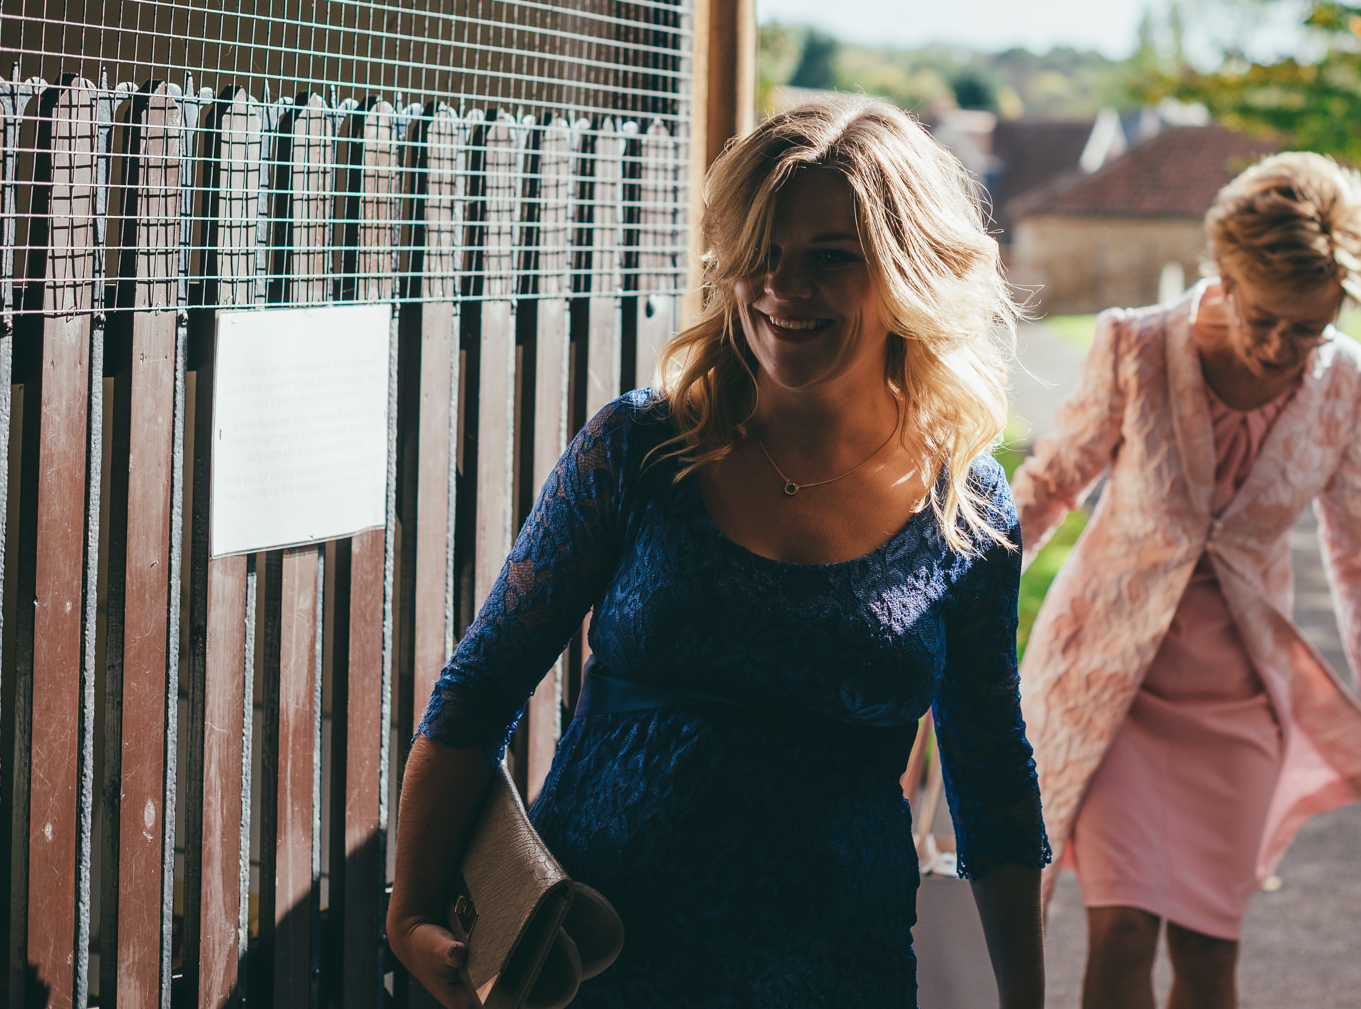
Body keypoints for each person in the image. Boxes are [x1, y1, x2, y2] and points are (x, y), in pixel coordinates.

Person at [386, 97, 1050, 1008]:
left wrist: (1027, 996)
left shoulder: (964, 509)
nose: (784, 288)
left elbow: (992, 774)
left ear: (909, 272)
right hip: (596, 959)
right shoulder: (640, 448)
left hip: (831, 968)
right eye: (761, 257)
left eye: (830, 257)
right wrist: (412, 907)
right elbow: (484, 680)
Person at [1014, 152, 1361, 1009]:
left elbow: (1356, 552)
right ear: (1226, 278)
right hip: (1108, 685)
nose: (1282, 348)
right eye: (1264, 317)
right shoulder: (1135, 344)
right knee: (1120, 933)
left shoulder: (1350, 383)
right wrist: (945, 617)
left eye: (1308, 327)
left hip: (1237, 703)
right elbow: (1050, 484)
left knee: (1207, 951)